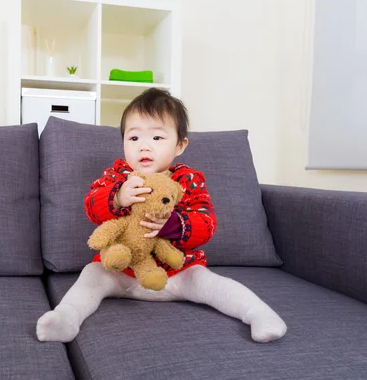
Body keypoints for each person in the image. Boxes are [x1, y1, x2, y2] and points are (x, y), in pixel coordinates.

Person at [36, 88, 287, 343]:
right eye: (134, 138)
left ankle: (258, 313)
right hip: (122, 270)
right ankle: (66, 317)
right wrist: (117, 197)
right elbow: (91, 207)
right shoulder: (117, 176)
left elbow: (207, 224)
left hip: (178, 273)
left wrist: (174, 225)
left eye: (157, 137)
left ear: (180, 145)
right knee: (92, 273)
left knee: (212, 283)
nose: (144, 146)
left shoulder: (188, 180)